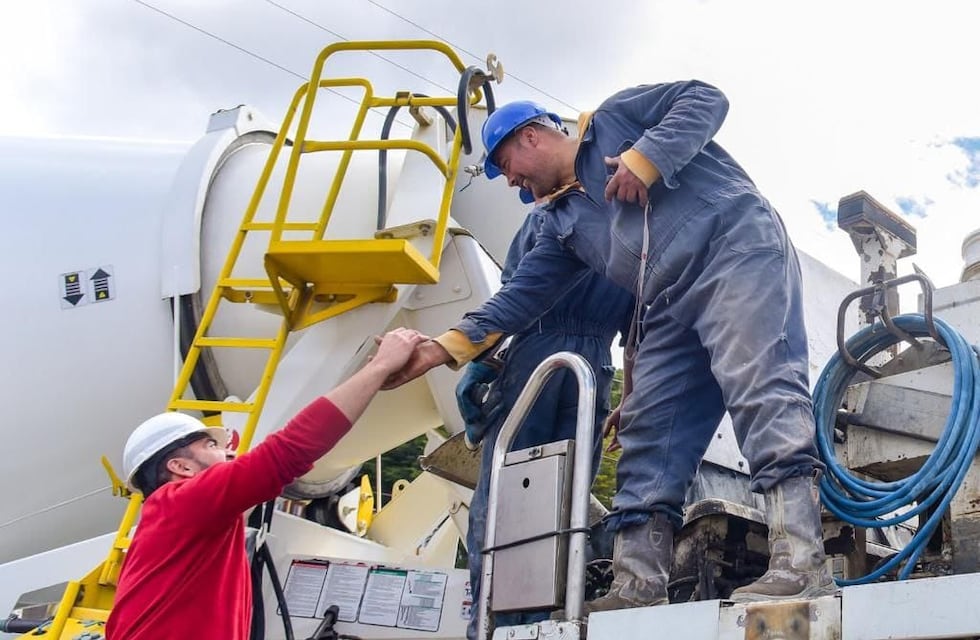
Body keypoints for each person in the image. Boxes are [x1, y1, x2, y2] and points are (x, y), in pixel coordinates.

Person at [384, 81, 836, 614]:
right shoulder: (559, 227)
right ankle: (638, 585)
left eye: (506, 164)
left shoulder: (615, 120)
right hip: (665, 302)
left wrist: (647, 159)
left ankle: (801, 564)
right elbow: (520, 298)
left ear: (531, 136)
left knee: (758, 387)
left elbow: (705, 99)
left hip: (733, 249)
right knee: (647, 430)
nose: (510, 180)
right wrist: (443, 349)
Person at [105, 328, 427, 640]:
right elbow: (290, 451)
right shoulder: (183, 503)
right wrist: (380, 367)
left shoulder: (180, 518)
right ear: (181, 466)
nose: (229, 450)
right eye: (211, 446)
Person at [459, 204, 633, 639]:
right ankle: (540, 624)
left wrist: (478, 363)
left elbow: (514, 299)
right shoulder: (636, 232)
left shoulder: (552, 215)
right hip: (593, 372)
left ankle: (490, 623)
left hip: (534, 358)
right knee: (566, 502)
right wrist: (629, 397)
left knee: (505, 497)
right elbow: (638, 335)